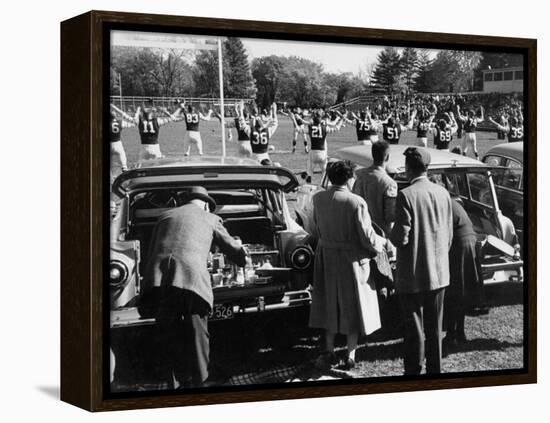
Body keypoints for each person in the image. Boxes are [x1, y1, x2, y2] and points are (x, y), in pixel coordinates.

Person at [139, 186, 249, 388]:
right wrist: (244, 260)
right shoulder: (210, 218)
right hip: (190, 281)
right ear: (206, 204)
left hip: (158, 280)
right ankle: (201, 384)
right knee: (197, 335)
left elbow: (153, 248)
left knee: (167, 335)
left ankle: (172, 384)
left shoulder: (165, 216)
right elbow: (233, 248)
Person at [308, 160, 386, 370]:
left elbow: (315, 226)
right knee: (353, 306)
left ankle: (329, 349)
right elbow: (367, 236)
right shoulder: (356, 202)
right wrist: (382, 243)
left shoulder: (318, 198)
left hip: (326, 257)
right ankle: (351, 354)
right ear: (349, 178)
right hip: (350, 260)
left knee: (329, 305)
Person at [390, 147, 453, 375]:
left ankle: (414, 371)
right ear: (426, 168)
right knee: (435, 328)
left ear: (408, 168)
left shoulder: (406, 194)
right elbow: (448, 233)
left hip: (414, 273)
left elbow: (401, 237)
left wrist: (390, 233)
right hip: (439, 271)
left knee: (414, 327)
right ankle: (435, 370)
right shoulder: (443, 192)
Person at [444, 195, 479, 349]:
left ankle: (453, 334)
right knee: (460, 290)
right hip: (468, 241)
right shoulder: (450, 201)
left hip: (460, 242)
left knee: (454, 290)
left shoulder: (443, 201)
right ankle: (459, 333)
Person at [352, 141, 397, 236]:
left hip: (360, 232)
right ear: (387, 157)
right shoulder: (389, 183)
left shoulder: (359, 176)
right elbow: (390, 215)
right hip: (381, 235)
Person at [303, 111, 343, 183]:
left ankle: (308, 184)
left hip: (313, 152)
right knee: (324, 173)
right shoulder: (325, 127)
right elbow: (336, 128)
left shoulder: (310, 127)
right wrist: (341, 119)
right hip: (322, 153)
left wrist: (294, 119)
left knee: (309, 172)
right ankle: (323, 186)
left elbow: (300, 129)